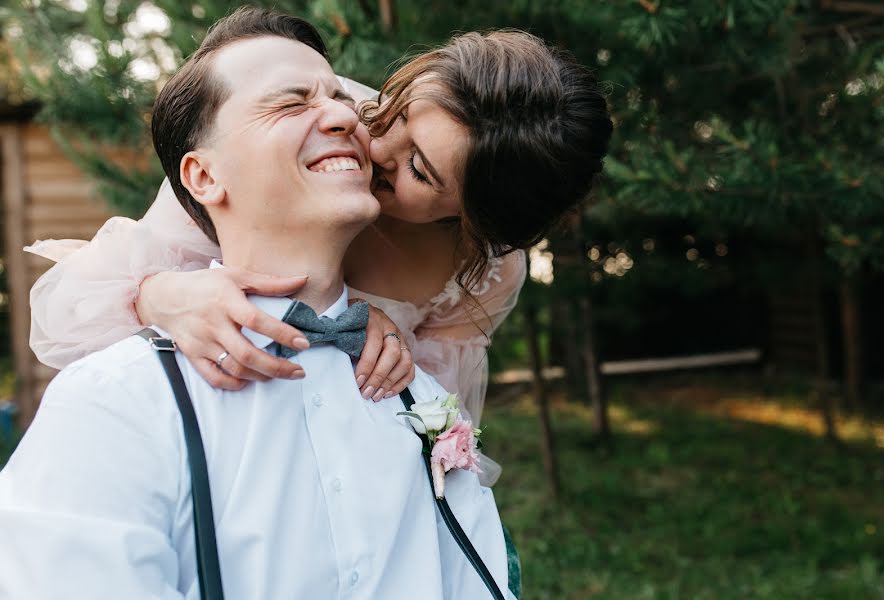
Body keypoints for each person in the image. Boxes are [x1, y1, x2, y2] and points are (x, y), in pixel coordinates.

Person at [0, 8, 511, 598]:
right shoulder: (116, 404)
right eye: (292, 104)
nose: (349, 116)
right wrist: (157, 293)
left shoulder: (424, 408)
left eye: (343, 98)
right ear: (203, 177)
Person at [27, 21, 613, 436]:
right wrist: (159, 294)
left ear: (472, 218)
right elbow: (75, 305)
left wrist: (380, 346)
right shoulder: (302, 138)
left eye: (418, 170)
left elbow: (426, 422)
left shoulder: (482, 272)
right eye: (398, 111)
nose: (374, 143)